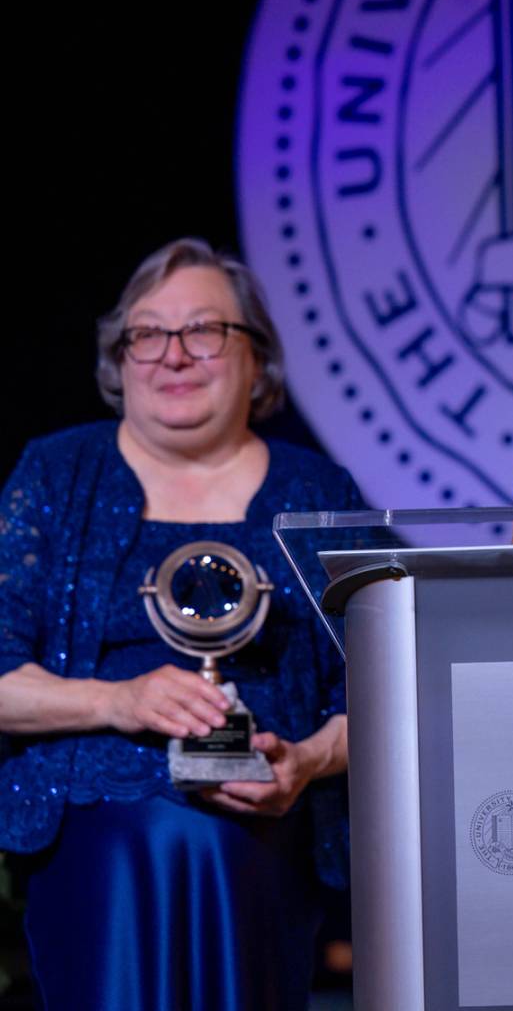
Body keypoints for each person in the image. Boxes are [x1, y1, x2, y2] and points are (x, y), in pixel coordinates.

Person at [0, 238, 360, 1011]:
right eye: (147, 335)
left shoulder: (321, 492)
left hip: (263, 840)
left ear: (255, 358)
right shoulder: (56, 475)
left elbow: (391, 689)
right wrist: (115, 702)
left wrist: (305, 760)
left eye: (204, 331)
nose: (173, 355)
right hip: (92, 835)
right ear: (120, 358)